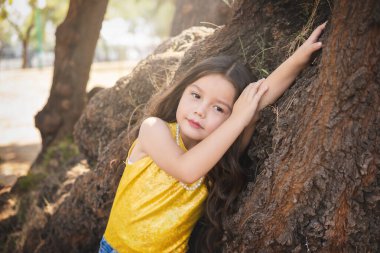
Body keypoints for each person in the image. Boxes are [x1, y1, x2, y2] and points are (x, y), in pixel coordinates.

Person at [99, 22, 327, 253]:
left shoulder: (219, 153)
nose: (201, 110)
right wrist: (237, 118)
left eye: (219, 108)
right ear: (182, 92)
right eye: (196, 95)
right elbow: (186, 170)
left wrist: (301, 58)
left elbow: (258, 99)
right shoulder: (154, 129)